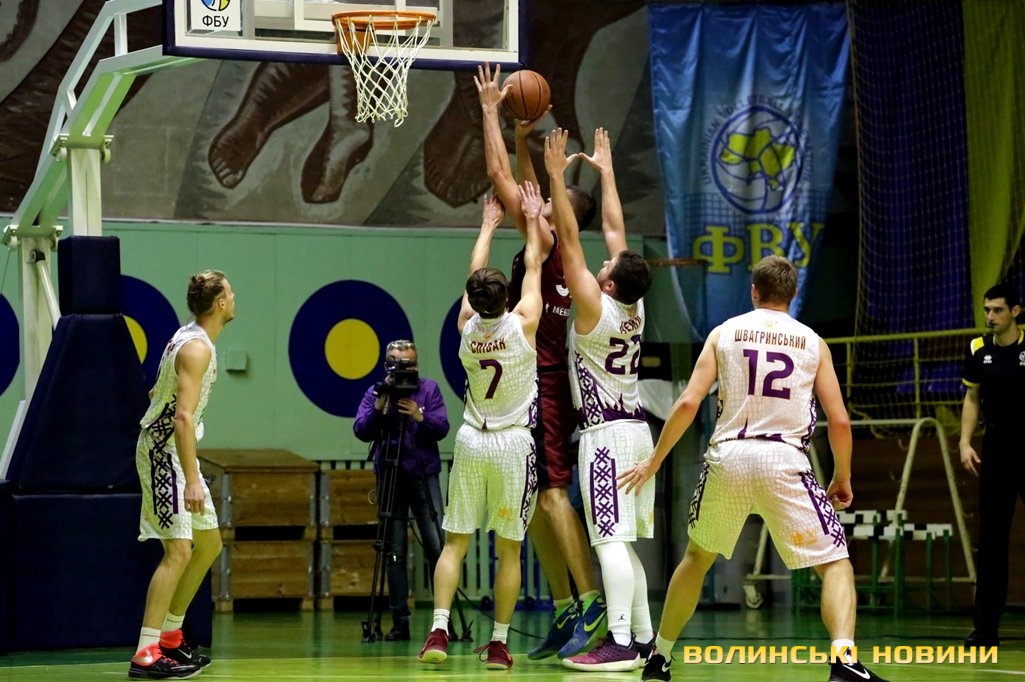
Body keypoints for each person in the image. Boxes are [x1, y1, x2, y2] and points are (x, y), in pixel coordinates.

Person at [618, 255, 888, 682]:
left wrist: (654, 461)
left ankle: (659, 657)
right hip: (784, 460)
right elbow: (839, 421)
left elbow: (688, 402)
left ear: (754, 291)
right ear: (793, 294)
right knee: (835, 563)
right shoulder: (813, 342)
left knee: (696, 559)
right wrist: (842, 476)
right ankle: (844, 662)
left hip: (729, 457)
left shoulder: (724, 333)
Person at [475, 62, 607, 661]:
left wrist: (489, 112)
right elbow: (525, 187)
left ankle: (592, 602)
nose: (538, 205)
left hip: (547, 384)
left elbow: (500, 176)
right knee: (531, 507)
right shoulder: (551, 241)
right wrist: (523, 136)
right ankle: (563, 606)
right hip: (531, 385)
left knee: (554, 497)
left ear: (558, 217)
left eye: (548, 204)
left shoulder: (552, 243)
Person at [543, 127, 656, 672]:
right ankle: (644, 637)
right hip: (636, 430)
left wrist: (555, 176)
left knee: (609, 542)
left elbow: (568, 236)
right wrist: (608, 174)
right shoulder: (634, 306)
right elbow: (614, 229)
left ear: (608, 285)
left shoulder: (594, 306)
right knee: (624, 542)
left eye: (607, 268)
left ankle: (618, 641)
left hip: (607, 437)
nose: (602, 264)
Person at [418, 186, 543, 670]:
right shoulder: (523, 322)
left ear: (471, 300)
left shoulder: (466, 327)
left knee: (455, 543)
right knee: (508, 551)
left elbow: (474, 275)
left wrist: (488, 224)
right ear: (507, 298)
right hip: (512, 443)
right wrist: (532, 219)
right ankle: (498, 643)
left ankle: (438, 631)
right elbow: (534, 264)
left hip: (472, 439)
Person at [130, 270, 236, 679]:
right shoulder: (196, 348)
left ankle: (172, 636)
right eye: (231, 292)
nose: (234, 297)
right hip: (163, 453)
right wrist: (192, 479)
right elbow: (182, 418)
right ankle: (146, 652)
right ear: (221, 303)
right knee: (178, 551)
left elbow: (157, 391)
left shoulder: (188, 336)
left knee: (208, 544)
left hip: (175, 451)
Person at [353, 339, 451, 641]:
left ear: (417, 364)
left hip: (424, 474)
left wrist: (420, 416)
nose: (403, 370)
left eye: (408, 364)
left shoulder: (429, 389)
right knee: (394, 550)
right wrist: (380, 406)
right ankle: (400, 622)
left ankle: (442, 620)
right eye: (397, 364)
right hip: (390, 474)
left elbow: (442, 427)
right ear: (387, 366)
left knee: (437, 545)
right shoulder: (376, 393)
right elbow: (361, 430)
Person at [960, 282, 1025, 649]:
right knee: (991, 540)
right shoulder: (978, 349)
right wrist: (964, 442)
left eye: (998, 310)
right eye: (987, 310)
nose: (990, 316)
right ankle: (985, 630)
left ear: (1015, 311)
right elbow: (972, 397)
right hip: (997, 448)